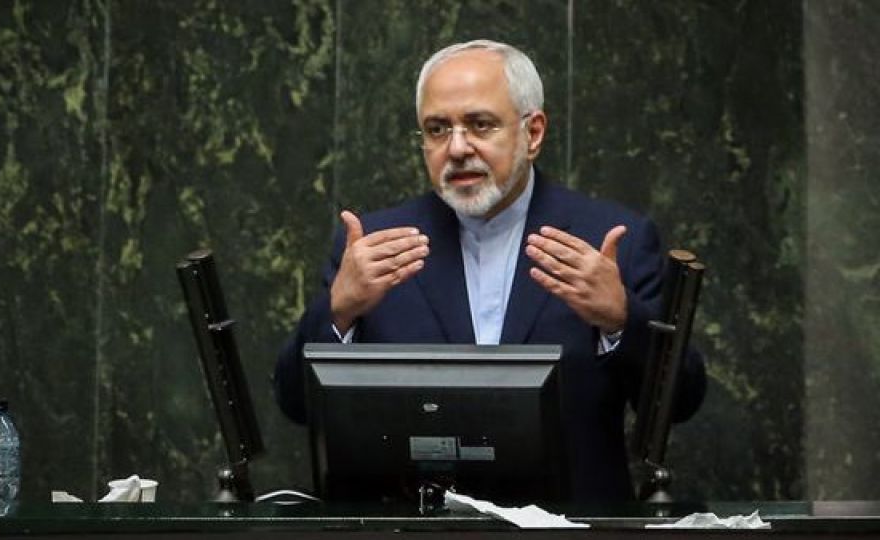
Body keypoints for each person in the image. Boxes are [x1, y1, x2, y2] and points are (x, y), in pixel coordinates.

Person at [274, 39, 706, 501]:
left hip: (571, 525)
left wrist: (622, 319)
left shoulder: (611, 240)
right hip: (414, 525)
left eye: (480, 124)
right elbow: (296, 404)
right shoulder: (374, 245)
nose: (457, 148)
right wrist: (337, 313)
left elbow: (679, 401)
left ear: (533, 133)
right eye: (437, 129)